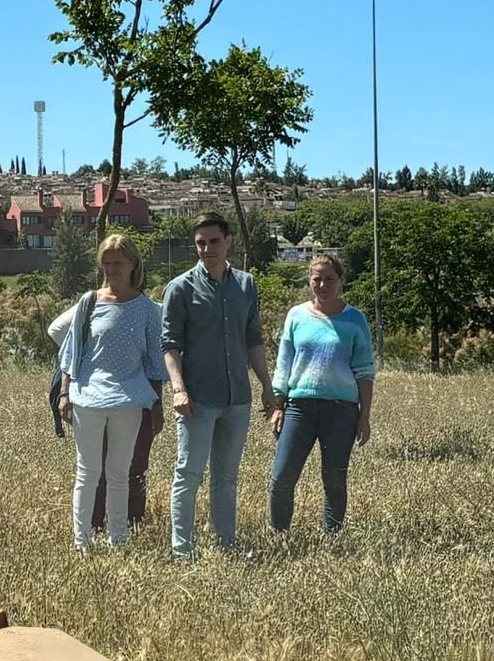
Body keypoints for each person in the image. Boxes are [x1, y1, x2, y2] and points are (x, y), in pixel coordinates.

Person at [161, 212, 275, 558]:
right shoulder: (179, 288)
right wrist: (178, 388)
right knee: (189, 474)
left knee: (226, 476)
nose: (207, 249)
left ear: (228, 242)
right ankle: (183, 550)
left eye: (213, 241)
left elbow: (253, 339)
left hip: (236, 397)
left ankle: (227, 544)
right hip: (198, 398)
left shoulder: (246, 285)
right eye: (200, 243)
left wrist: (267, 387)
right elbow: (170, 345)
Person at [55, 235, 165, 549]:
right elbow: (72, 352)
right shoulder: (88, 302)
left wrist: (156, 405)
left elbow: (154, 361)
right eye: (106, 263)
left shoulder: (146, 309)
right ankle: (82, 541)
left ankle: (119, 539)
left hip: (130, 401)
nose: (111, 269)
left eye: (117, 262)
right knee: (87, 472)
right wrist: (64, 393)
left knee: (119, 473)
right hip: (87, 399)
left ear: (133, 264)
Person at [269, 253, 376, 533]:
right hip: (298, 407)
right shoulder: (296, 315)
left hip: (341, 410)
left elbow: (365, 371)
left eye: (329, 279)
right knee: (282, 476)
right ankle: (279, 534)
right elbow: (284, 362)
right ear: (309, 280)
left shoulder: (355, 320)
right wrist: (277, 404)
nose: (323, 284)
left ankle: (332, 536)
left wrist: (364, 416)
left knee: (334, 479)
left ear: (341, 281)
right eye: (317, 278)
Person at [48, 300, 161, 531]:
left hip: (130, 396)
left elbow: (56, 329)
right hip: (110, 395)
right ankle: (114, 525)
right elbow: (57, 330)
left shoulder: (150, 309)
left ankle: (115, 527)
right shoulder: (94, 303)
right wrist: (89, 357)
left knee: (123, 467)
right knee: (119, 467)